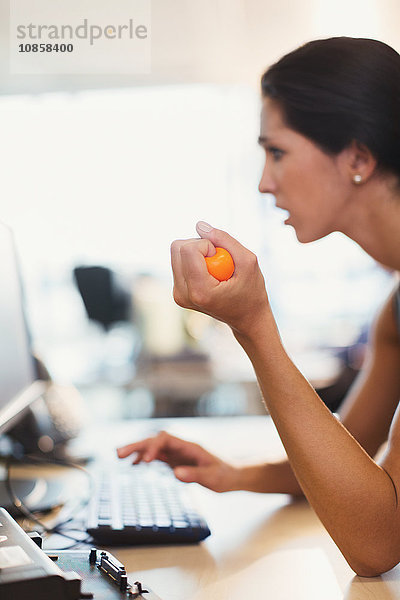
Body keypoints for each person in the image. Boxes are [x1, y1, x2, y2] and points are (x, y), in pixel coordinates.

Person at [118, 37, 400, 577]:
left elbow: (379, 539)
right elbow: (352, 456)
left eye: (277, 152)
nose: (264, 182)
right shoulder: (396, 308)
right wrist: (234, 475)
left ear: (359, 158)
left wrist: (254, 326)